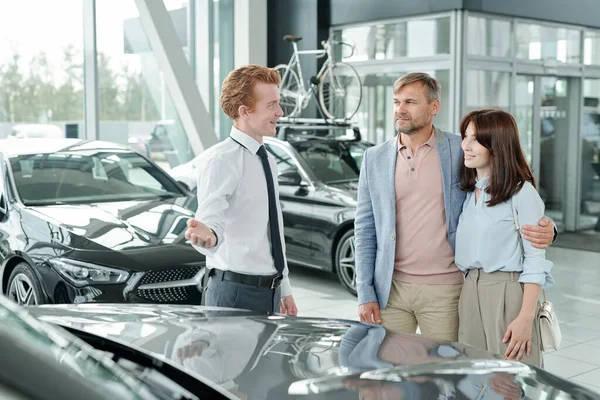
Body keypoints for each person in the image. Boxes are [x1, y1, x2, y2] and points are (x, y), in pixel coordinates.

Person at [354, 72, 555, 341]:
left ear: (434, 107)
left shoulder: (460, 150)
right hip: (390, 290)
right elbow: (365, 230)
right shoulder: (373, 158)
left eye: (410, 102)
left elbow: (507, 187)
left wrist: (549, 228)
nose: (400, 109)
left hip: (447, 289)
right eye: (396, 101)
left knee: (445, 375)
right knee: (392, 373)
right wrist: (365, 292)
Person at [184, 64, 298, 316]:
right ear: (244, 111)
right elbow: (210, 220)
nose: (280, 112)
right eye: (271, 105)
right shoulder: (220, 160)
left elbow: (271, 229)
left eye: (278, 103)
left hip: (270, 289)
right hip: (234, 293)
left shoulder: (267, 159)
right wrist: (208, 236)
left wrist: (284, 286)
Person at [455, 109, 553, 367]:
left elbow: (535, 261)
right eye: (465, 137)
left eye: (475, 139)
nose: (465, 145)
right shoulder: (469, 193)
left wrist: (525, 318)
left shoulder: (522, 193)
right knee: (473, 376)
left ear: (497, 145)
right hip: (468, 291)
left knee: (511, 380)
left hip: (507, 292)